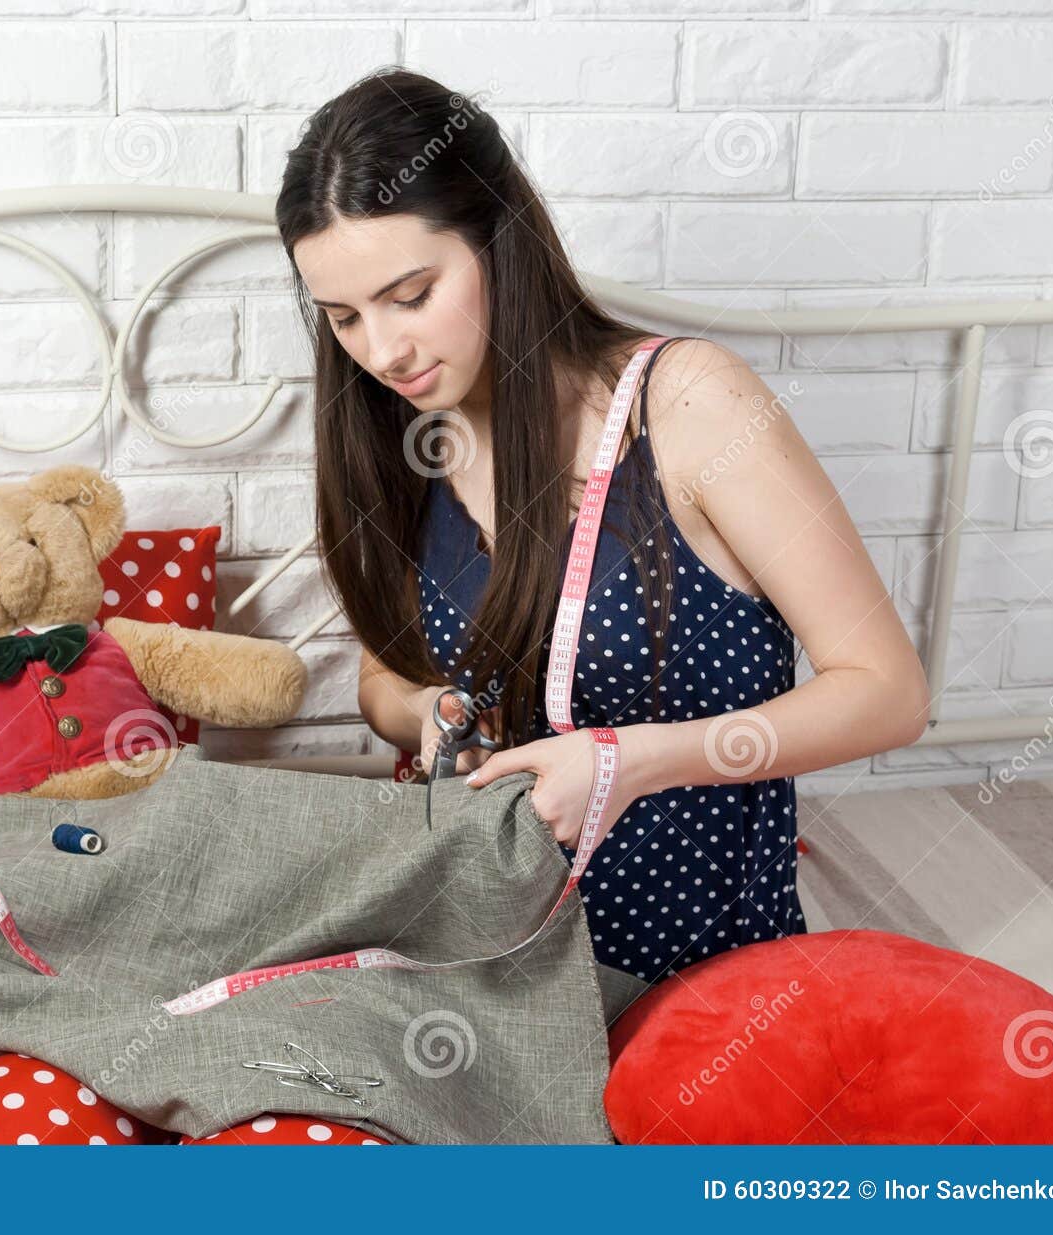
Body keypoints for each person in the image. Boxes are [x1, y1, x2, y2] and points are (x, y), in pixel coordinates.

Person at [274, 67, 931, 984]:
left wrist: (634, 760)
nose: (383, 352)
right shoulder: (409, 432)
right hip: (477, 955)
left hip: (691, 977)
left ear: (500, 238)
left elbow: (889, 692)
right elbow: (389, 670)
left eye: (412, 294)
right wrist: (426, 711)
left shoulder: (690, 404)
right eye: (343, 317)